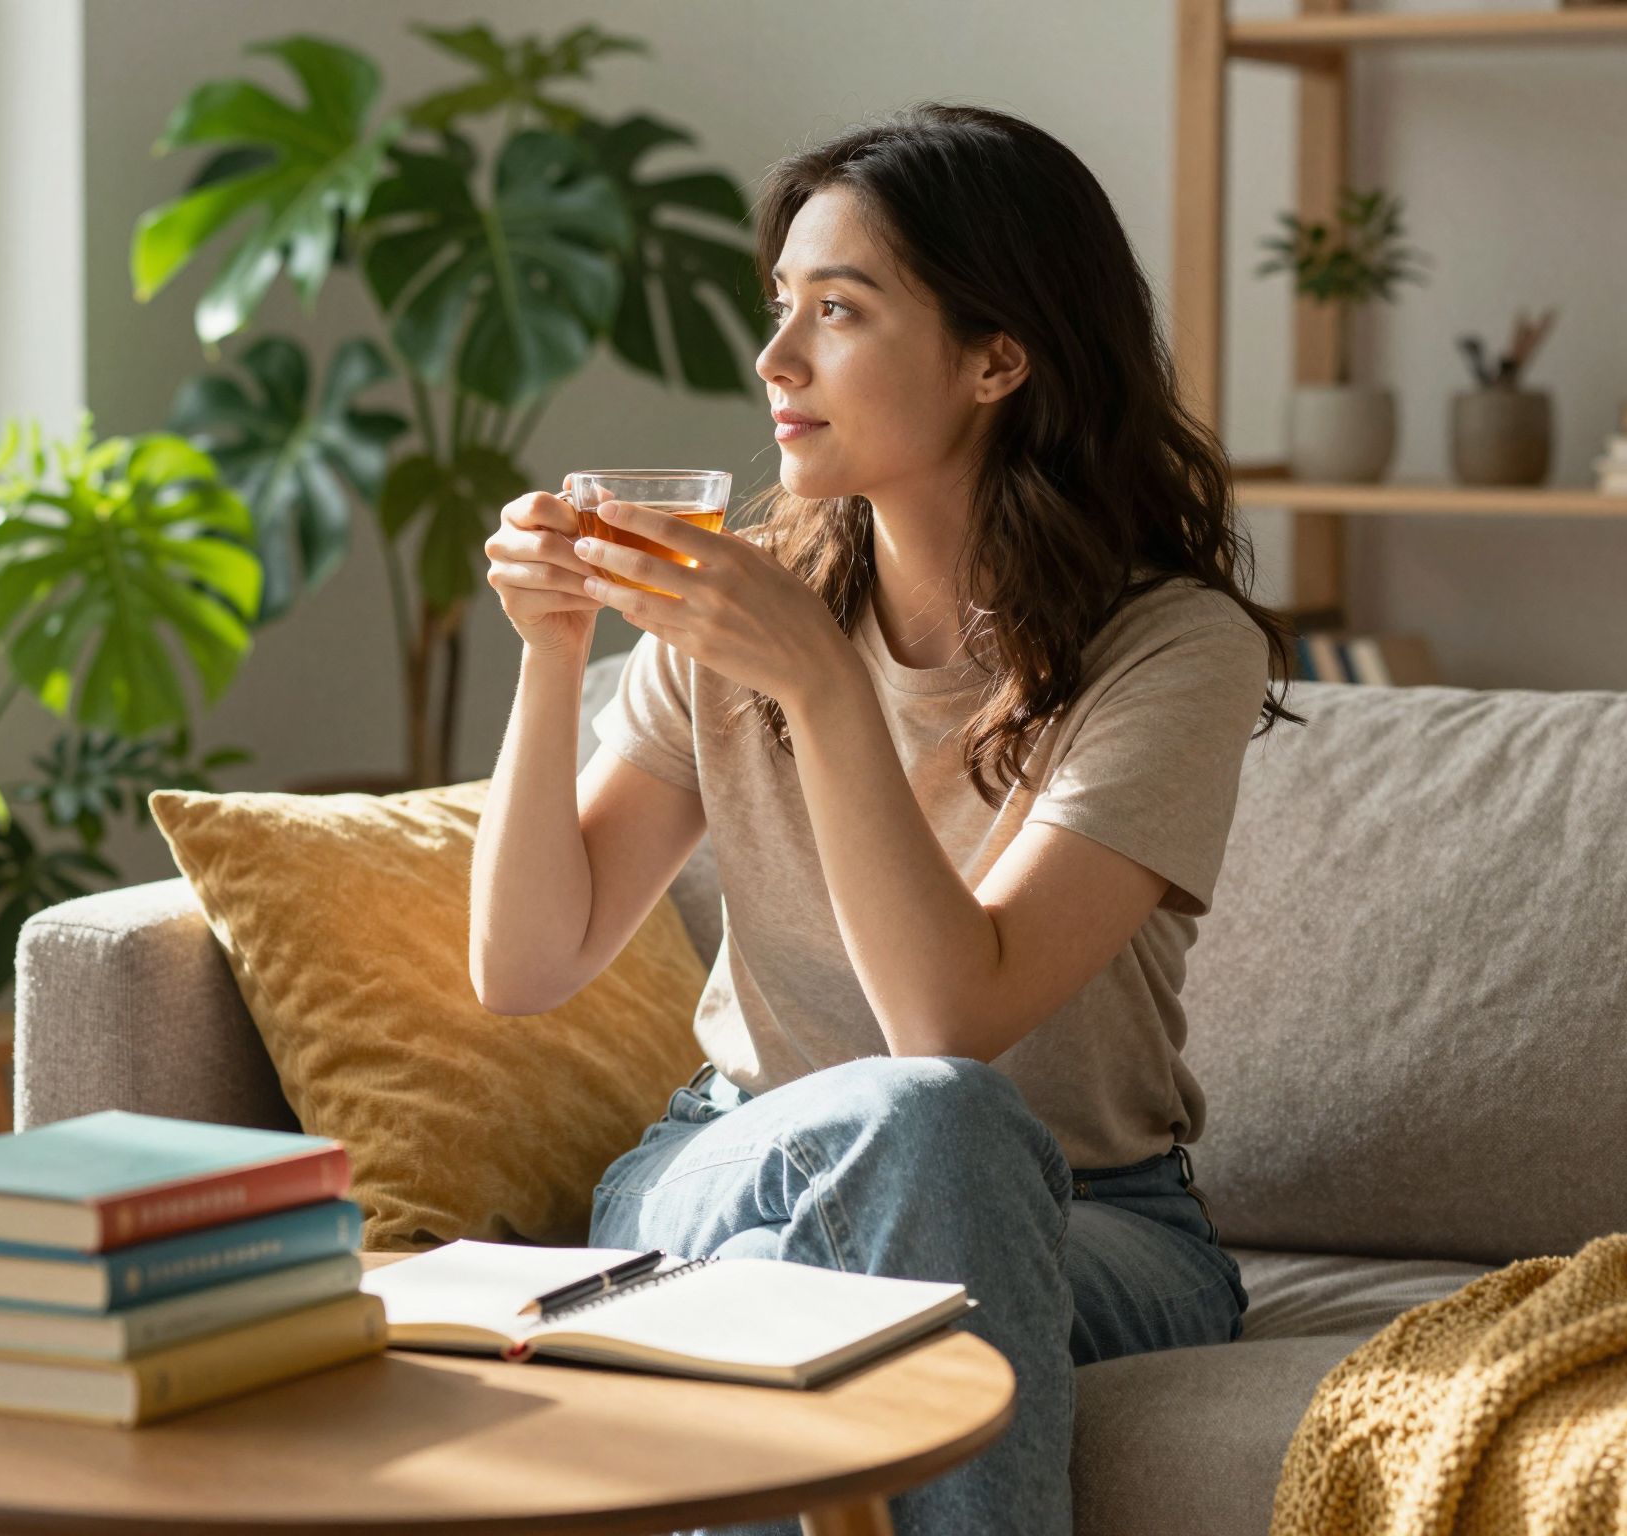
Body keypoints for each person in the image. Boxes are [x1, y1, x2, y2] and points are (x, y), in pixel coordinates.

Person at [471, 101, 1307, 1536]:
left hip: (1095, 1221)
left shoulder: (1170, 651)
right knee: (845, 1209)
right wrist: (550, 658)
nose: (774, 360)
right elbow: (523, 966)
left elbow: (943, 1024)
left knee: (933, 1138)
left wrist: (821, 683)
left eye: (839, 312)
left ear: (999, 357)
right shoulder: (731, 609)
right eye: (781, 306)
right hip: (714, 1169)